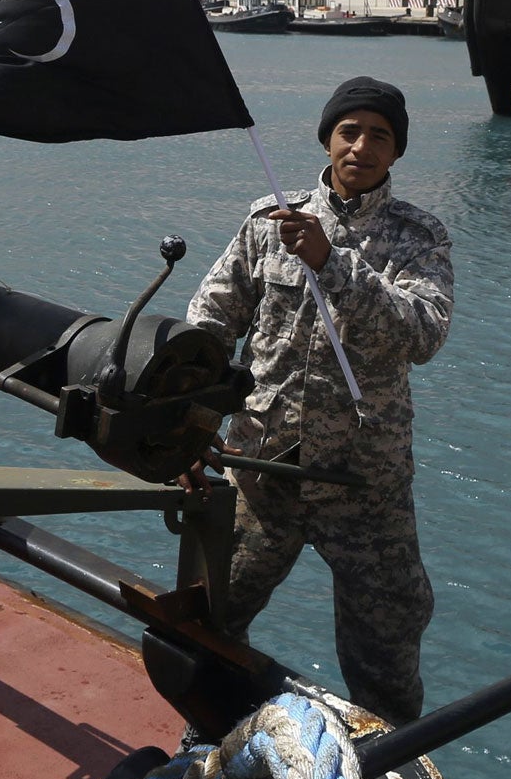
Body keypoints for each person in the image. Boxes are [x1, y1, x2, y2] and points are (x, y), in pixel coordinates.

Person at [185, 76, 452, 723]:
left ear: (396, 152)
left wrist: (335, 263)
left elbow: (424, 333)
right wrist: (190, 428)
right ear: (328, 139)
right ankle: (214, 744)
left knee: (387, 656)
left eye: (379, 136)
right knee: (206, 625)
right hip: (261, 473)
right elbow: (210, 325)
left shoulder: (419, 237)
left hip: (364, 486)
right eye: (349, 131)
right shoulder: (267, 221)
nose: (361, 146)